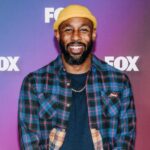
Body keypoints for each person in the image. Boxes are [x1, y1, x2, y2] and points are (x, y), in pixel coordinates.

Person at [18, 4, 136, 150]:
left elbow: (125, 139)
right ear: (57, 34)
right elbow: (30, 143)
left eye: (84, 30)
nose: (76, 36)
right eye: (68, 30)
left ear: (93, 34)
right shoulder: (35, 83)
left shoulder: (119, 82)